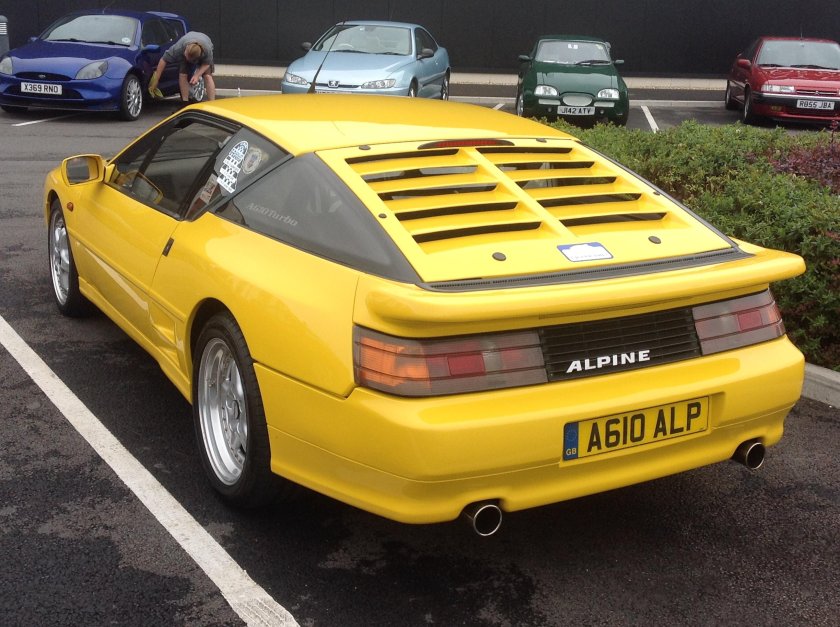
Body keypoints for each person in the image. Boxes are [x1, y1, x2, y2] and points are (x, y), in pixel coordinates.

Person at [148, 31, 216, 103]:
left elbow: (207, 64)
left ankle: (212, 102)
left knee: (207, 76)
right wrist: (156, 80)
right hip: (189, 39)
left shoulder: (207, 50)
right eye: (186, 55)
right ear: (186, 48)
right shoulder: (178, 49)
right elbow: (163, 60)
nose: (186, 58)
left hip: (205, 41)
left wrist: (197, 75)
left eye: (188, 58)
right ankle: (185, 102)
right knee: (183, 75)